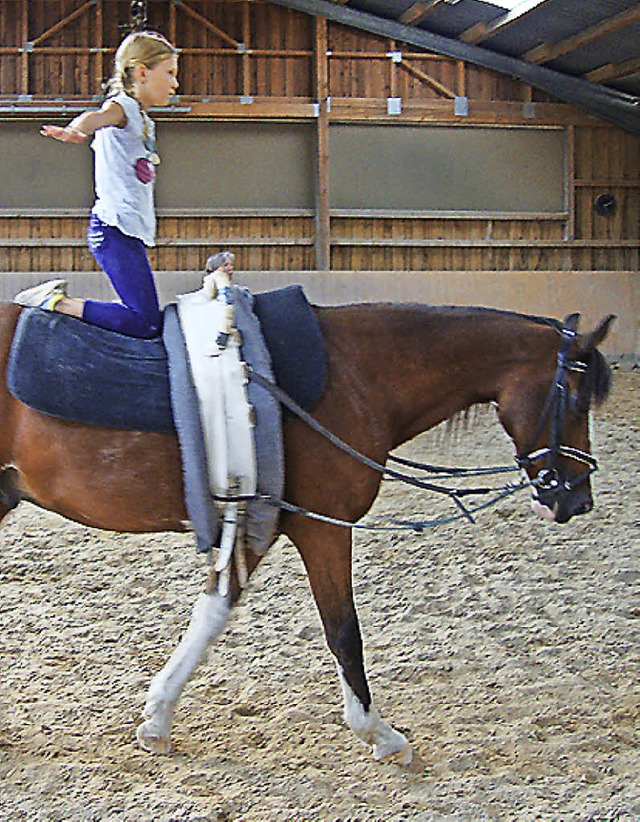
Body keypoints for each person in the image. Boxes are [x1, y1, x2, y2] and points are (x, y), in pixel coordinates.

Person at [14, 30, 179, 338]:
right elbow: (96, 116)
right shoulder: (123, 107)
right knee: (145, 322)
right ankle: (55, 302)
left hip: (125, 233)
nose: (175, 83)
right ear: (142, 72)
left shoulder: (143, 119)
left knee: (145, 318)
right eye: (169, 73)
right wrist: (76, 130)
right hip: (113, 230)